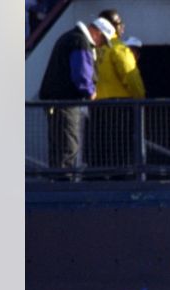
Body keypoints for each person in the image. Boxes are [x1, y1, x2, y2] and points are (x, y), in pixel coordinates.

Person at [37, 17, 115, 177]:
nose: (101, 44)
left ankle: (57, 182)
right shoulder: (80, 42)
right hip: (67, 103)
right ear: (97, 33)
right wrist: (90, 91)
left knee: (58, 146)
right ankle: (66, 185)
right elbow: (82, 76)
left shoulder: (70, 37)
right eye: (103, 40)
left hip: (56, 102)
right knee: (69, 147)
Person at [88, 10, 145, 173]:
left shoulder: (96, 49)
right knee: (121, 148)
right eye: (119, 24)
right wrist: (140, 98)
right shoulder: (119, 48)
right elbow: (132, 77)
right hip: (120, 106)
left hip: (97, 105)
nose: (123, 27)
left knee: (101, 148)